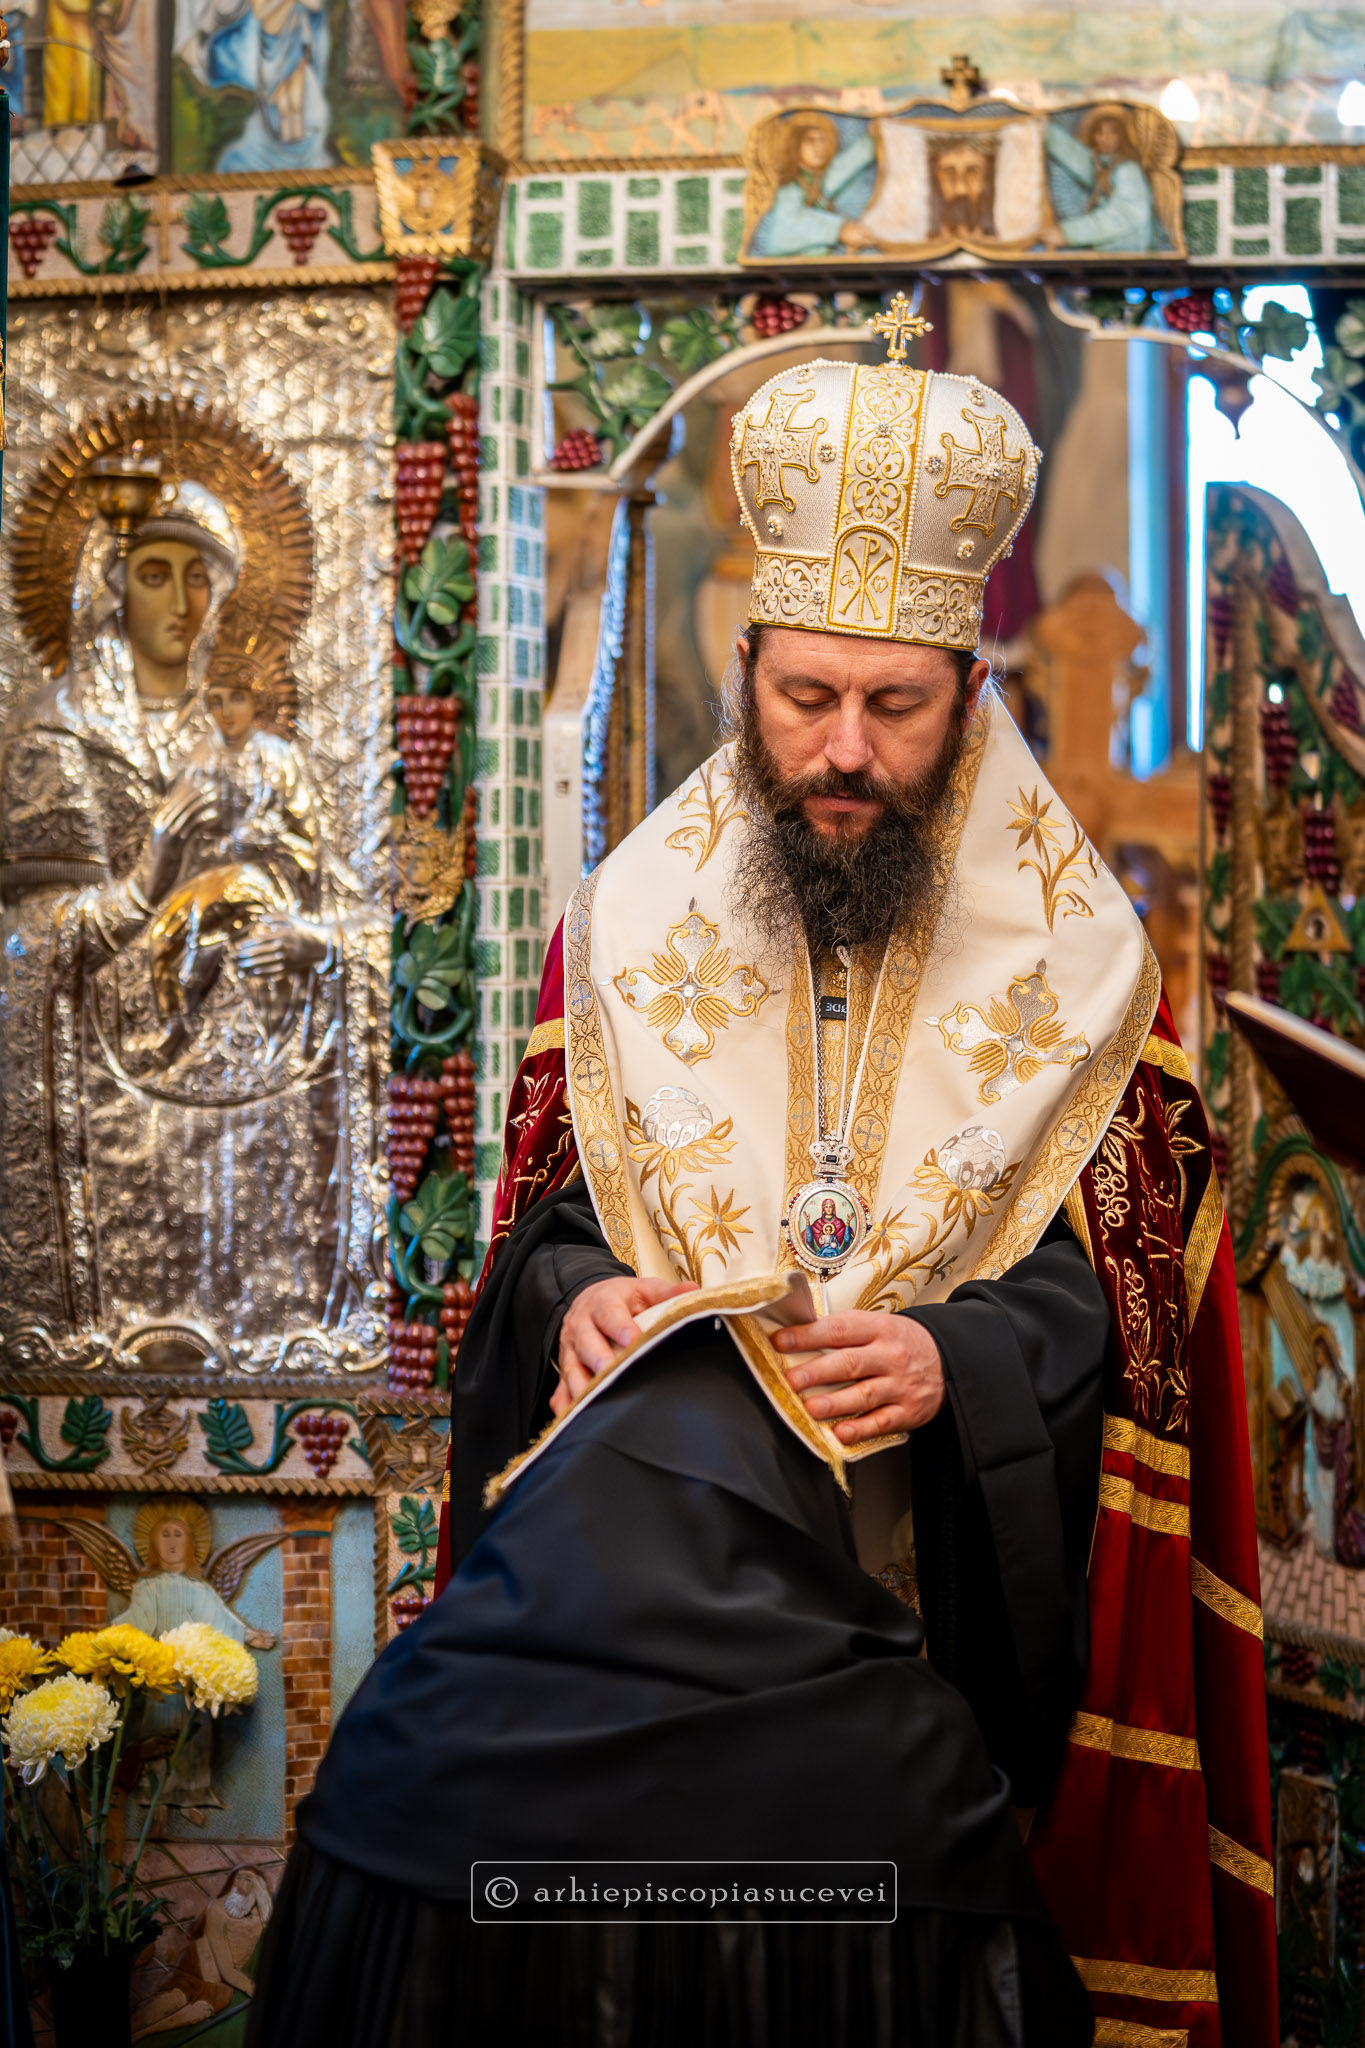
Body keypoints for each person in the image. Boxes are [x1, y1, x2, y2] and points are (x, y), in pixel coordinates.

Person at [248, 343, 1275, 2048]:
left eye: (895, 706)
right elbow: (547, 1233)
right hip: (634, 1576)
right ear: (745, 669)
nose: (843, 752)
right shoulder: (625, 927)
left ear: (969, 690)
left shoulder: (1087, 968)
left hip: (915, 1619)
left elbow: (1126, 1302)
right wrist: (573, 1299)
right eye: (806, 698)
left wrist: (958, 1360)